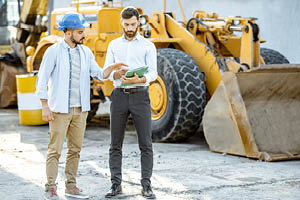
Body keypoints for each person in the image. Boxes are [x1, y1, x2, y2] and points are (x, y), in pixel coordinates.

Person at [36, 13, 127, 200]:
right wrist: (45, 105)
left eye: (83, 31)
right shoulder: (53, 51)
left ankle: (71, 186)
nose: (83, 35)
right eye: (80, 32)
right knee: (55, 150)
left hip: (81, 110)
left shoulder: (86, 52)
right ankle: (50, 188)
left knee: (75, 150)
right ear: (68, 33)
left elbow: (99, 74)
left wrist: (113, 70)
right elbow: (42, 79)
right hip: (59, 109)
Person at [103, 6, 157, 199]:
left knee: (146, 143)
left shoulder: (148, 46)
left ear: (138, 22)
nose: (130, 27)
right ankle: (115, 185)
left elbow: (153, 73)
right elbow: (106, 71)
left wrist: (140, 79)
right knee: (115, 144)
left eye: (133, 24)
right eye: (126, 24)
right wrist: (115, 73)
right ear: (122, 23)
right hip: (118, 95)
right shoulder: (113, 45)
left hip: (140, 96)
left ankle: (146, 186)